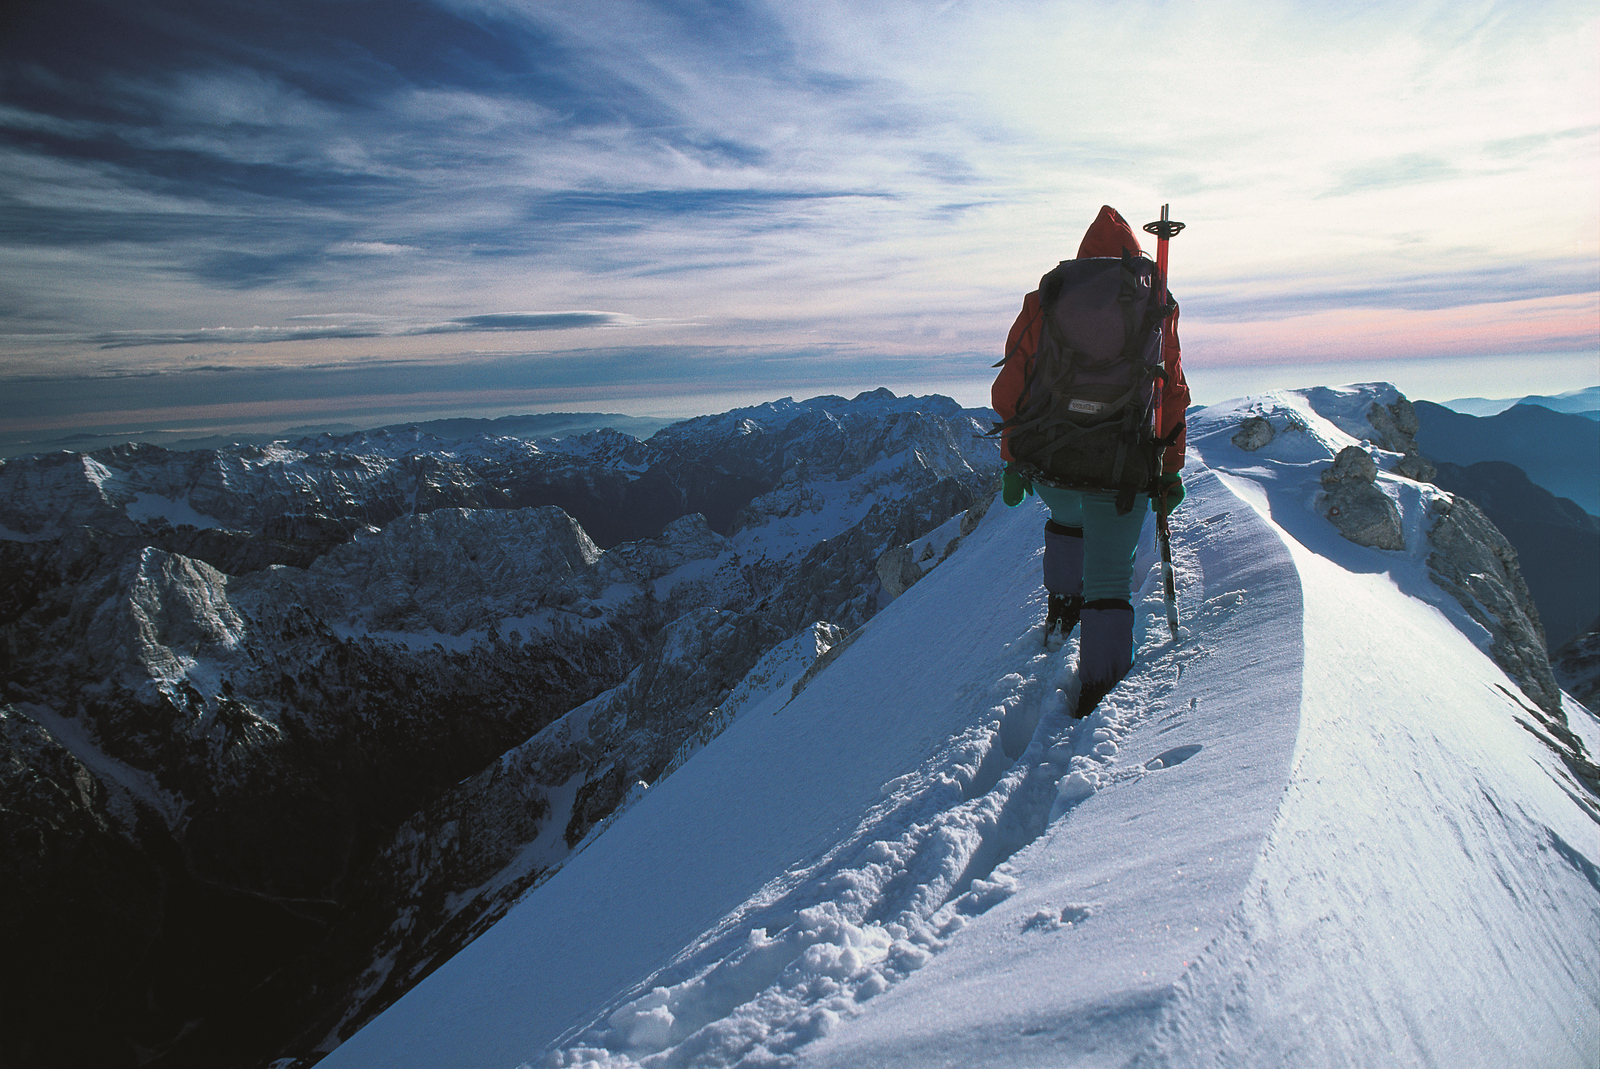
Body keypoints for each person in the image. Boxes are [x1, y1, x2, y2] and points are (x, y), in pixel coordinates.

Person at [991, 204, 1190, 716]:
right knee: (1109, 578)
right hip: (1122, 467)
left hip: (1055, 459)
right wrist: (1169, 472)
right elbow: (1171, 396)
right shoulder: (1154, 305)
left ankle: (1061, 615)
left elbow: (1011, 388)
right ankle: (1099, 693)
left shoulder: (1048, 300)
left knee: (1065, 518)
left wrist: (1014, 459)